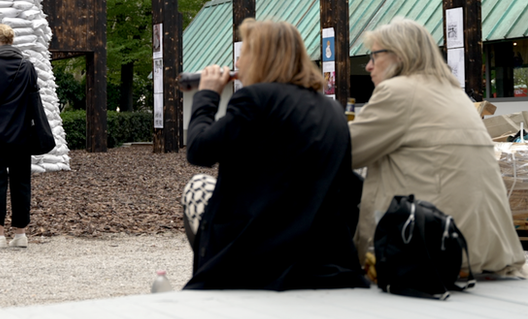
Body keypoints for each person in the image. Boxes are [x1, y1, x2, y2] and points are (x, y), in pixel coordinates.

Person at [181, 19, 368, 290]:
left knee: (198, 188)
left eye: (243, 53)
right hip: (323, 260)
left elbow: (200, 150)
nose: (238, 61)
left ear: (260, 57)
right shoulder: (332, 110)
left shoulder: (256, 99)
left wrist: (207, 96)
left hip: (257, 258)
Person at [349, 18, 527, 277]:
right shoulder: (455, 94)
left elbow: (345, 152)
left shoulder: (398, 91)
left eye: (374, 56)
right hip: (487, 249)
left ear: (399, 55)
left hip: (432, 251)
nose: (367, 66)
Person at [0, 24, 36, 248]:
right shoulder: (27, 66)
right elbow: (33, 97)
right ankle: (20, 234)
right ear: (11, 41)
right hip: (21, 133)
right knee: (22, 182)